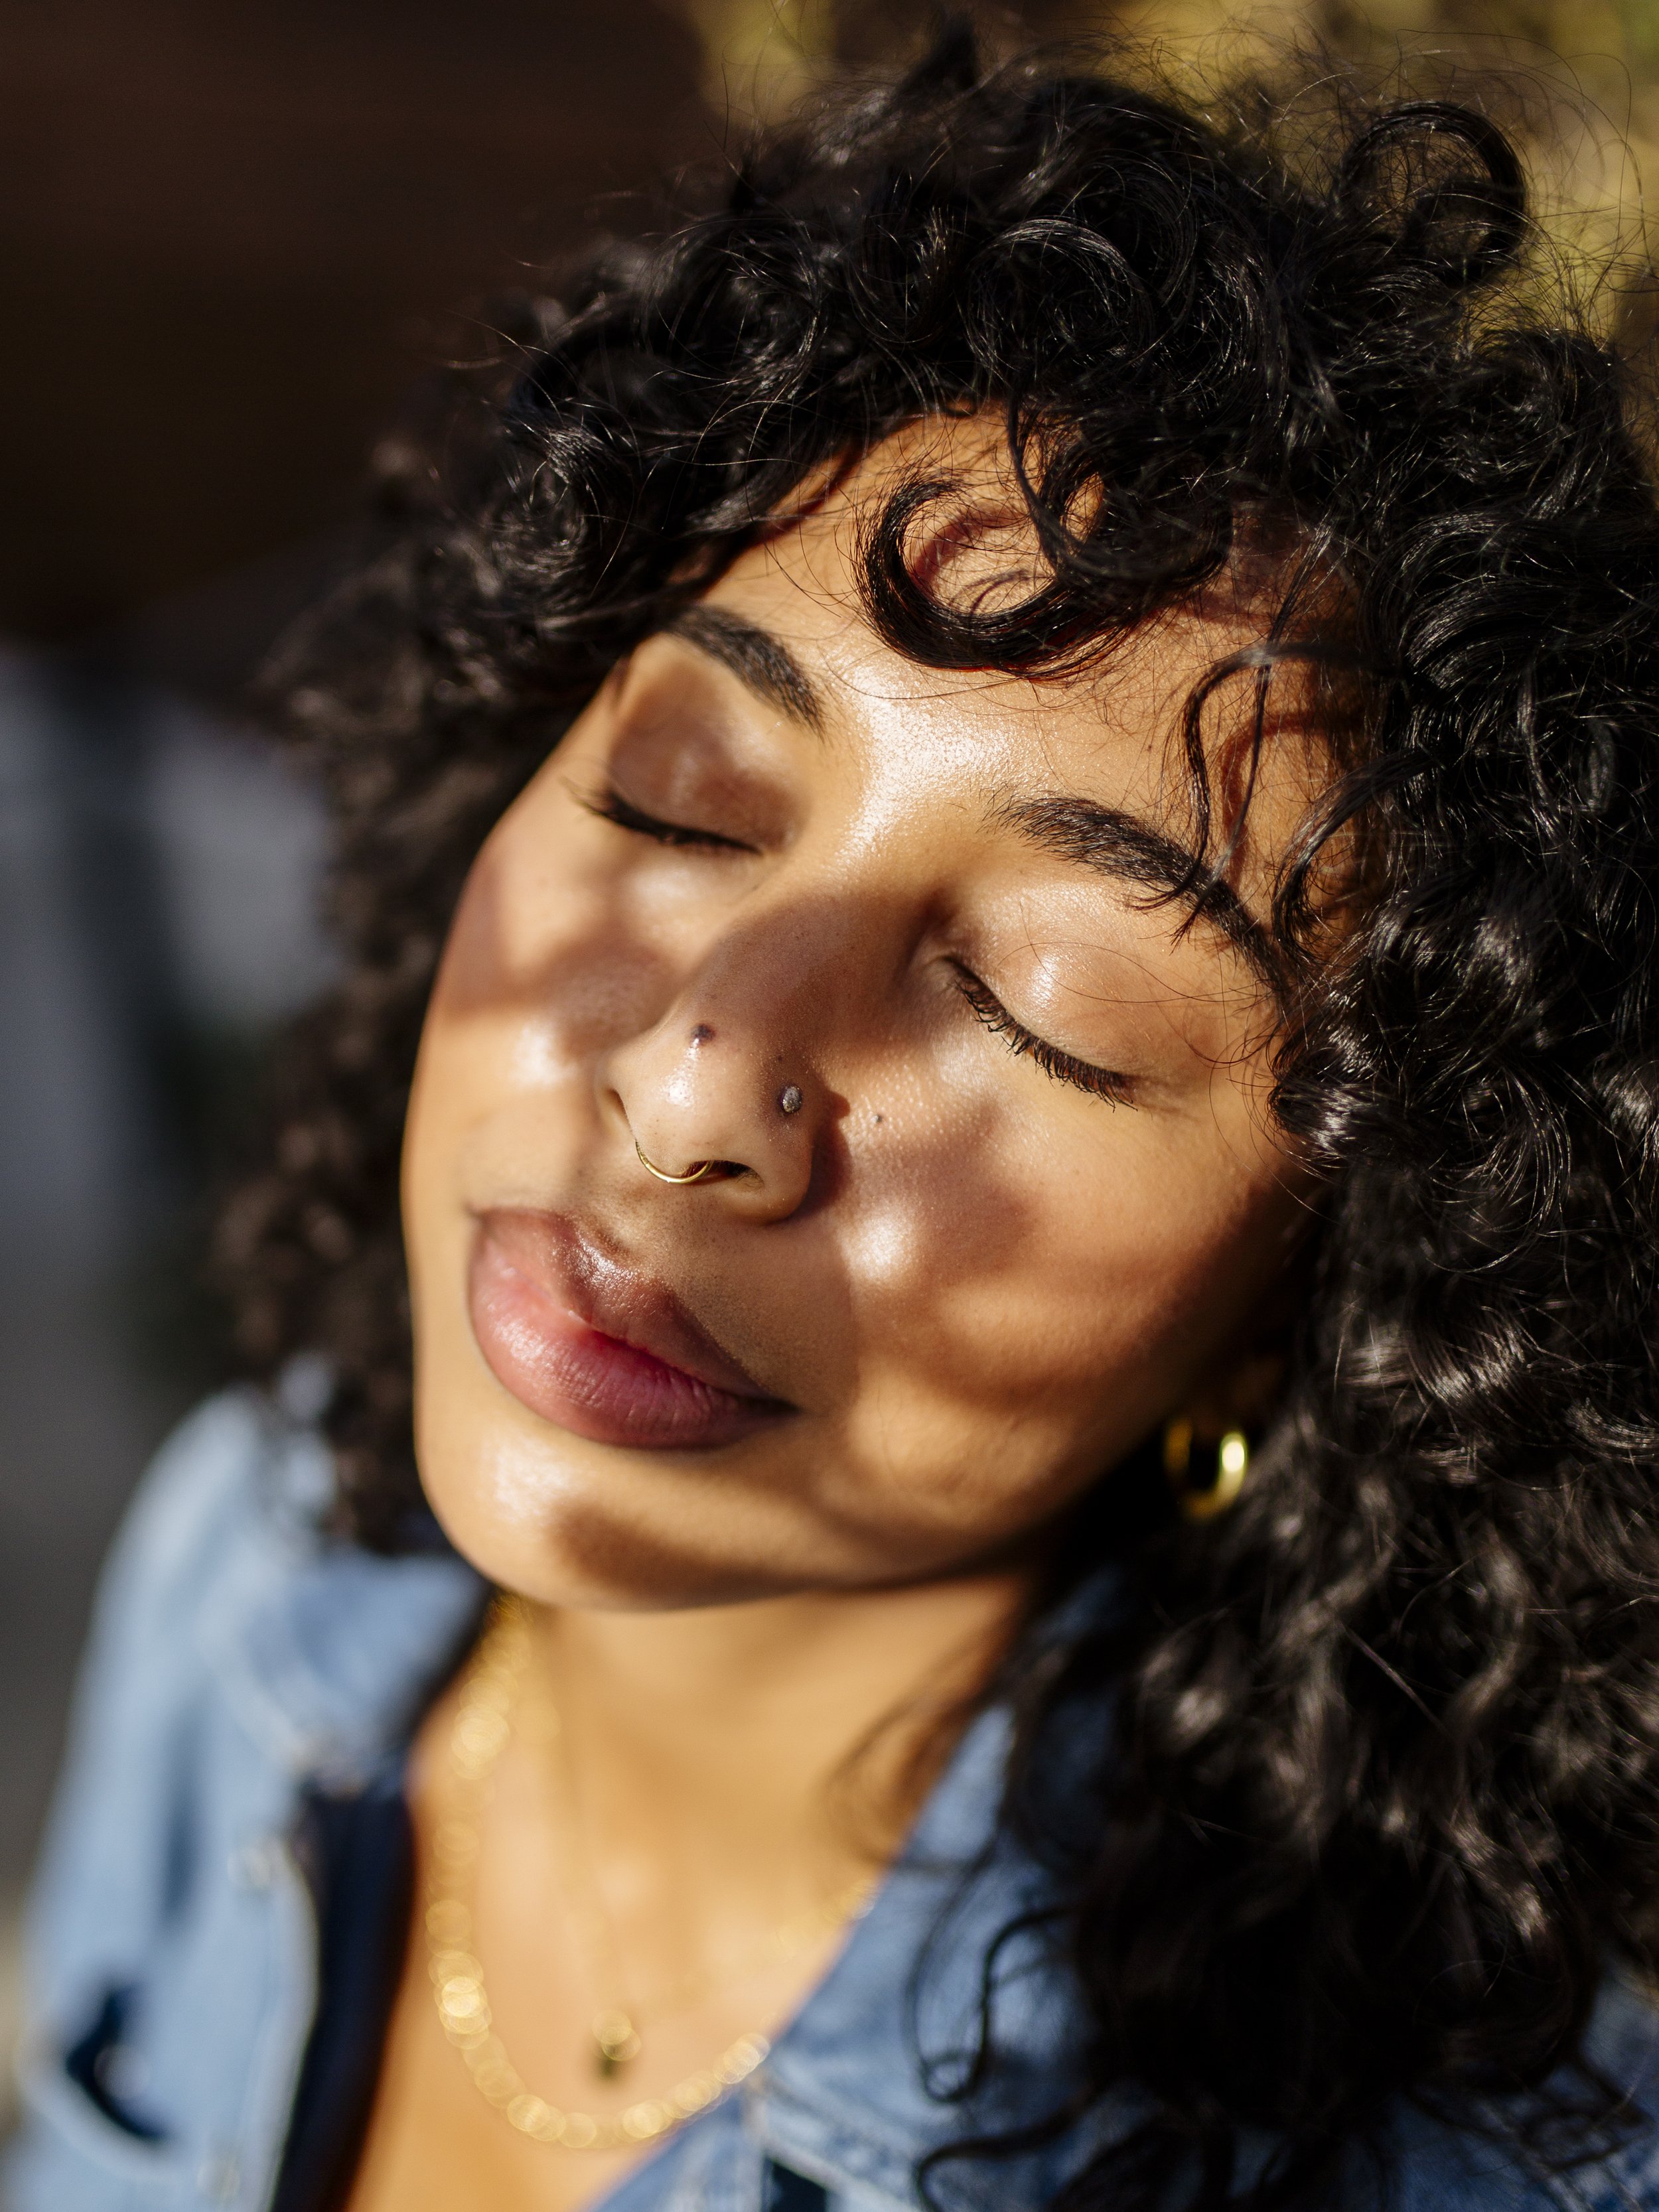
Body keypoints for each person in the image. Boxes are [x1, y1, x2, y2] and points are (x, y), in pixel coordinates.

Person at [13, 25, 1659, 2212]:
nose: (698, 1074)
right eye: (683, 801)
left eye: (1042, 1008)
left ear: (1333, 1294)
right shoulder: (255, 1573)